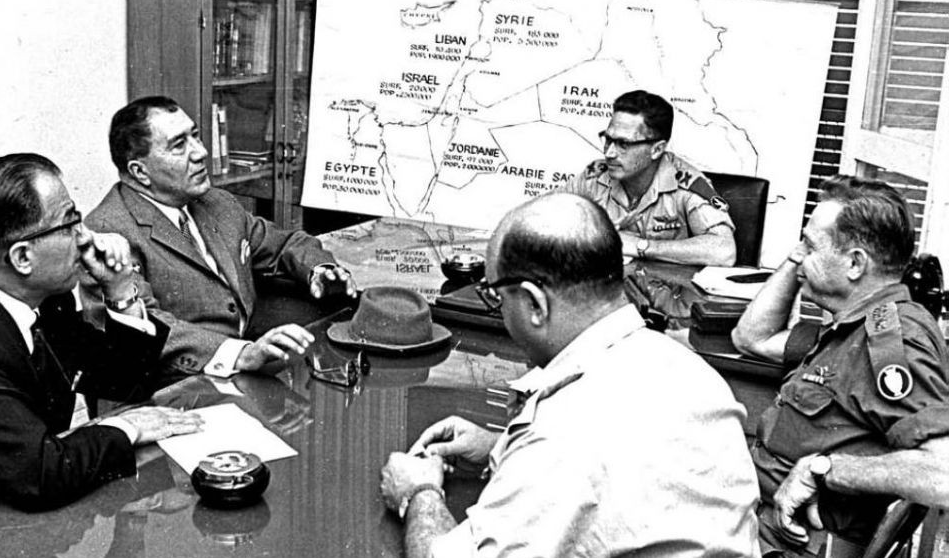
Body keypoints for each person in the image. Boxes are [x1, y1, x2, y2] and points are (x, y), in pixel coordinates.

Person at [380, 193, 760, 557]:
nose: (499, 309)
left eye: (497, 297)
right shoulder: (693, 372)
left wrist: (419, 491)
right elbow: (627, 471)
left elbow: (576, 455)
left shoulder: (562, 440)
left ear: (535, 304)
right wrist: (501, 447)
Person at [0, 153, 202, 510]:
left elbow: (119, 381)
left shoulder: (40, 294)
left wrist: (119, 289)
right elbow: (40, 473)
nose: (86, 238)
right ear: (22, 258)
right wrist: (128, 428)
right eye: (70, 223)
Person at [731, 176, 949, 557]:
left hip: (781, 544)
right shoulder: (850, 328)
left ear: (854, 263)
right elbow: (752, 337)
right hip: (755, 519)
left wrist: (824, 470)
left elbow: (944, 473)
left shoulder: (890, 341)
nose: (798, 255)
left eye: (810, 246)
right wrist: (801, 257)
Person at [85, 96, 356, 388]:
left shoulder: (216, 202)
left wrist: (319, 270)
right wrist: (242, 354)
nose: (201, 152)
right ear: (140, 172)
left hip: (243, 365)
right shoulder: (107, 231)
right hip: (178, 384)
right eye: (179, 145)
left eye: (195, 136)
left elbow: (282, 243)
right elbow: (146, 325)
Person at [561, 89, 736, 266]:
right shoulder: (594, 177)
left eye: (623, 144)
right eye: (608, 140)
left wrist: (641, 246)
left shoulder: (687, 184)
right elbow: (544, 219)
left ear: (657, 150)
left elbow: (724, 251)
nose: (609, 153)